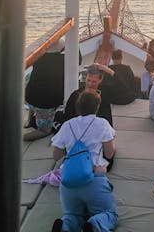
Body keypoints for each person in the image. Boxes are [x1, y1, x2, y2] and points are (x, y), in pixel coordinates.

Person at [51, 90, 117, 232]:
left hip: (68, 182)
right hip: (94, 179)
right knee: (108, 214)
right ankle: (94, 225)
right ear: (97, 107)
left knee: (72, 215)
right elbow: (110, 154)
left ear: (77, 106)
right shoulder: (102, 124)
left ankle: (65, 225)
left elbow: (56, 155)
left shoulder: (67, 125)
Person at [23, 38, 65, 141]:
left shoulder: (38, 57)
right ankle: (21, 138)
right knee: (45, 130)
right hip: (45, 103)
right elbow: (79, 59)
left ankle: (29, 120)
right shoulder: (63, 59)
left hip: (29, 97)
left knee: (30, 78)